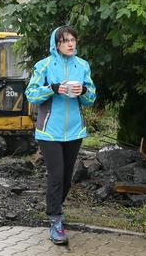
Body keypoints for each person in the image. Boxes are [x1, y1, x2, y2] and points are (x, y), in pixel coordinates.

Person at [25, 26, 97, 244]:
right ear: (56, 44)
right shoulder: (44, 65)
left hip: (74, 131)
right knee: (56, 175)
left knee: (66, 178)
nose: (71, 44)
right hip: (49, 131)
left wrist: (83, 92)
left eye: (73, 40)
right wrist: (53, 88)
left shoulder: (82, 65)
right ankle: (55, 220)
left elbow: (92, 96)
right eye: (65, 40)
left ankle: (54, 207)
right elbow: (31, 94)